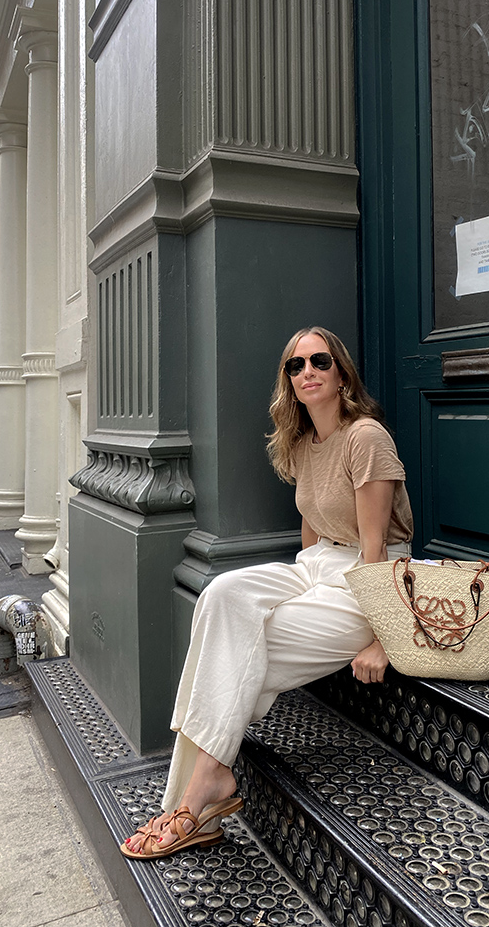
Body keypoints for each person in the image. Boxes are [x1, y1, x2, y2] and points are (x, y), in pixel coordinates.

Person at [122, 326, 413, 860]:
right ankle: (203, 789)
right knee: (221, 597)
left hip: (372, 577)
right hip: (319, 561)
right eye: (295, 366)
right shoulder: (304, 443)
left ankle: (198, 793)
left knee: (248, 642)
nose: (308, 373)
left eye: (320, 362)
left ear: (342, 372)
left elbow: (376, 550)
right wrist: (297, 579)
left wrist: (383, 640)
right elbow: (311, 526)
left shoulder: (365, 437)